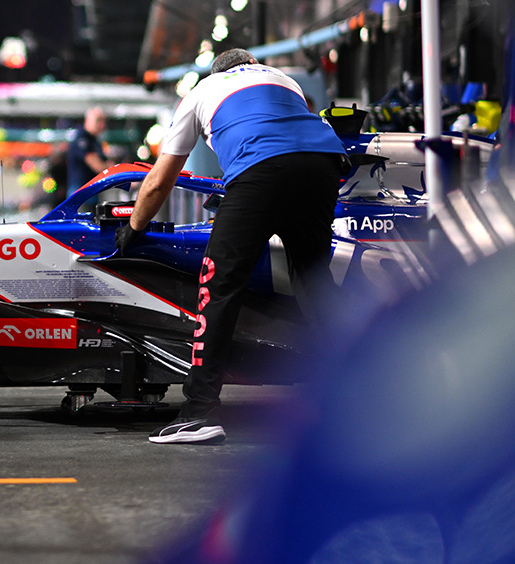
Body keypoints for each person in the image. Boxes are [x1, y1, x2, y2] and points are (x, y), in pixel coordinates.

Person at [114, 49, 346, 444]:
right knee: (314, 282)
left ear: (217, 70)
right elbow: (290, 130)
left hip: (261, 169)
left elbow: (158, 181)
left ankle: (199, 413)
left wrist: (133, 230)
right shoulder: (282, 79)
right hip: (324, 164)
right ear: (253, 65)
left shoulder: (201, 91)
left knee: (219, 284)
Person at [66, 106, 113, 196]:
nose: (102, 125)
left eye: (103, 121)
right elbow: (96, 164)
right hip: (80, 193)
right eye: (98, 120)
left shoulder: (94, 141)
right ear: (88, 120)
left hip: (91, 191)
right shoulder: (82, 139)